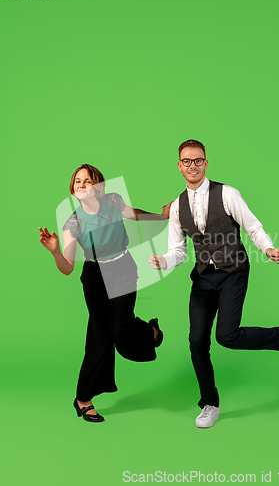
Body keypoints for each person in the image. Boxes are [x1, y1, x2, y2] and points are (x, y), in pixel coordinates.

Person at [149, 139, 279, 429]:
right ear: (179, 166)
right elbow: (178, 251)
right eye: (186, 161)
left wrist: (268, 249)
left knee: (227, 336)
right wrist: (164, 262)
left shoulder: (227, 194)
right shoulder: (175, 208)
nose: (192, 166)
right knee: (196, 342)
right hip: (203, 278)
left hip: (234, 270)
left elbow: (253, 227)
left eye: (198, 160)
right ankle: (210, 403)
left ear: (206, 163)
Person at [39, 164, 172, 423]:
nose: (81, 184)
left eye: (87, 181)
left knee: (121, 327)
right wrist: (55, 251)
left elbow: (133, 215)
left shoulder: (113, 201)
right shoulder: (72, 223)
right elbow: (67, 267)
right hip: (94, 277)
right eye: (77, 181)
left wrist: (161, 216)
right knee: (100, 339)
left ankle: (150, 332)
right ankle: (83, 400)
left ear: (98, 187)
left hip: (122, 267)